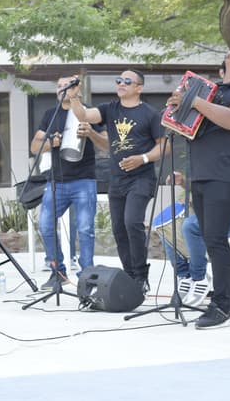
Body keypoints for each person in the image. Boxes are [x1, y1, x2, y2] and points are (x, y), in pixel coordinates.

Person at [166, 45, 230, 329]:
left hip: (225, 172)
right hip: (200, 170)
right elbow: (187, 125)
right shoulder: (212, 89)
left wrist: (194, 101)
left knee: (216, 240)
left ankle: (220, 305)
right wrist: (178, 106)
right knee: (213, 239)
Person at [69, 69, 166, 294]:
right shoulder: (110, 108)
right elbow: (83, 115)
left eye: (127, 81)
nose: (121, 83)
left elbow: (164, 145)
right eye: (119, 80)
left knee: (132, 222)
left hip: (141, 178)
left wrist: (142, 158)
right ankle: (130, 276)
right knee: (119, 228)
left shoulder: (150, 114)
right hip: (117, 179)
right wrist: (74, 97)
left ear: (138, 88)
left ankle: (141, 275)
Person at [160, 123, 230, 308]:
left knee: (191, 226)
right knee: (167, 225)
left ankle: (199, 278)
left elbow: (221, 197)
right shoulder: (207, 163)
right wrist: (183, 182)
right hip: (217, 217)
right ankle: (185, 276)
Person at [31, 76, 108, 291]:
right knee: (45, 225)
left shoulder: (90, 112)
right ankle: (58, 272)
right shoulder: (50, 114)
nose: (62, 89)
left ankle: (87, 276)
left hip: (84, 180)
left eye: (67, 86)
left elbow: (106, 145)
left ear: (77, 89)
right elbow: (34, 147)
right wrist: (50, 143)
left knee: (85, 229)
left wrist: (91, 133)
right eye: (59, 86)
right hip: (57, 181)